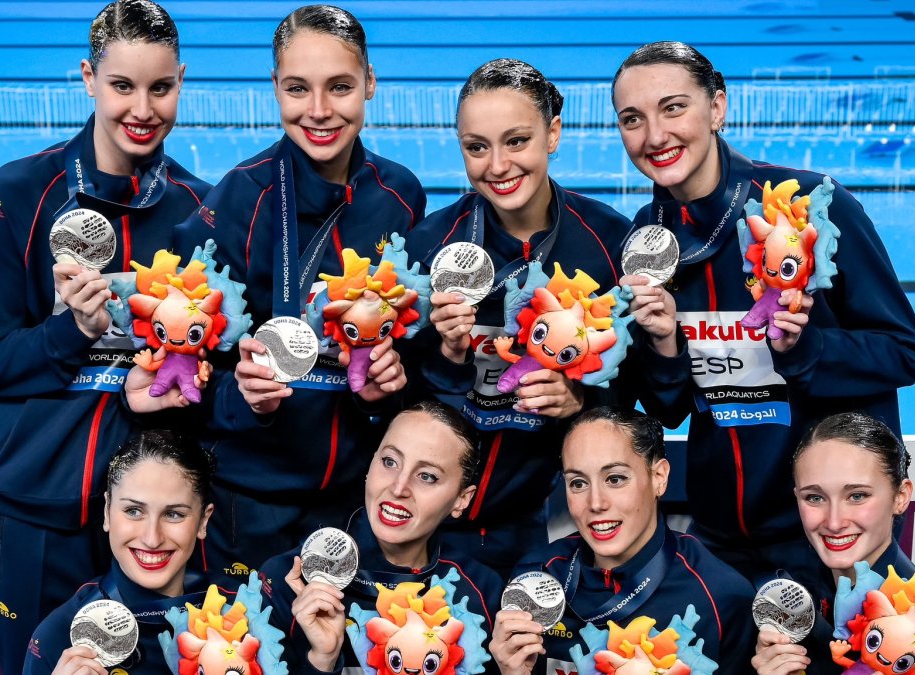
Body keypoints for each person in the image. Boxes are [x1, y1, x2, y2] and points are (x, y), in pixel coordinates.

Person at [0, 2, 209, 672]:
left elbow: (205, 370)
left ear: (181, 80)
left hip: (142, 528)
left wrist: (160, 391)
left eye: (160, 87)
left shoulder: (199, 212)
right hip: (32, 521)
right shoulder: (19, 195)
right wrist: (72, 332)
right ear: (89, 78)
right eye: (123, 85)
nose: (142, 108)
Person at [613, 41, 915, 585]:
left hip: (825, 532)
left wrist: (806, 350)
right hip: (719, 537)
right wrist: (663, 345)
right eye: (632, 119)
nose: (654, 136)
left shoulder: (807, 207)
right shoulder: (649, 235)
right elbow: (670, 408)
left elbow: (903, 353)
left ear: (717, 107)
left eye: (673, 108)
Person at [167, 4, 429, 576]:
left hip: (357, 501)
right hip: (249, 501)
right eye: (297, 89)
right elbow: (180, 374)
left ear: (370, 84)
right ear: (274, 89)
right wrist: (243, 398)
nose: (318, 111)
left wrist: (388, 386)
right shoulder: (239, 199)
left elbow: (410, 343)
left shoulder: (400, 196)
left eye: (339, 87)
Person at [403, 58, 632, 576]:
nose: (498, 166)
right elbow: (394, 396)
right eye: (476, 147)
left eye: (516, 141)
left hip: (539, 523)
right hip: (430, 521)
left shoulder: (607, 243)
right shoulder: (430, 243)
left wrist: (580, 399)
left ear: (552, 133)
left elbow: (637, 393)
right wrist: (446, 356)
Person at [490, 406, 755, 674]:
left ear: (659, 477)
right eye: (578, 483)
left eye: (615, 479)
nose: (596, 503)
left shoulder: (723, 596)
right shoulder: (534, 576)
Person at [752, 412, 915, 674]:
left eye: (857, 496)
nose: (834, 522)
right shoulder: (792, 621)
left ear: (900, 496)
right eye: (815, 498)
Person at [258, 402, 503, 673]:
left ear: (461, 500)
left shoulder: (481, 594)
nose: (398, 488)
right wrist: (322, 660)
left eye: (427, 476)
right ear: (371, 463)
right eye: (390, 462)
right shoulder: (287, 580)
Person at [24, 430, 220, 675]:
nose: (152, 539)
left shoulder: (242, 616)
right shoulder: (60, 636)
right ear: (107, 511)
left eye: (174, 514)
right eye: (134, 511)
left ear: (203, 521)